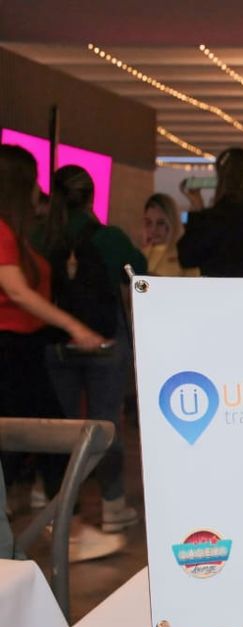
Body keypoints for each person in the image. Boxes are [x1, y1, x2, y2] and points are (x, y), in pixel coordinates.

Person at [0, 146, 112, 559]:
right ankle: (71, 531)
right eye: (32, 182)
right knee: (48, 444)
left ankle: (70, 530)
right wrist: (74, 326)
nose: (39, 192)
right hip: (10, 354)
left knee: (35, 447)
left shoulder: (18, 234)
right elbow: (15, 291)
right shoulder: (3, 233)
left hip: (23, 352)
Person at [37, 164, 148, 549]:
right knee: (104, 423)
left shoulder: (41, 235)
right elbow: (140, 272)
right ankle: (112, 504)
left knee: (63, 427)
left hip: (56, 342)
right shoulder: (110, 237)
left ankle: (62, 509)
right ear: (91, 196)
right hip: (105, 343)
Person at [177, 147, 243, 278]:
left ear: (221, 180)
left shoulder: (208, 219)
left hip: (217, 294)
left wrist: (195, 210)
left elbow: (186, 257)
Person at [141, 193, 194, 277]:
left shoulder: (186, 255)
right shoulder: (142, 255)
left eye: (160, 223)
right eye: (148, 223)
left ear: (173, 223)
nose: (153, 229)